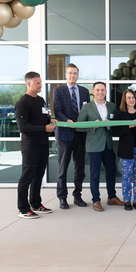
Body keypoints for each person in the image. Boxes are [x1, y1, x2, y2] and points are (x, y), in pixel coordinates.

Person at [76, 82, 124, 212]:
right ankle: (96, 200)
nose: (100, 92)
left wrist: (110, 125)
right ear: (93, 91)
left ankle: (112, 197)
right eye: (97, 90)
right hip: (94, 145)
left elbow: (117, 124)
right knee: (95, 174)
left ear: (106, 91)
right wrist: (93, 126)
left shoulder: (112, 106)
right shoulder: (87, 107)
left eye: (102, 90)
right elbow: (78, 126)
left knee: (111, 172)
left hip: (108, 144)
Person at [15, 72, 56, 219]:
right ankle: (23, 209)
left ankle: (36, 204)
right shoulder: (22, 103)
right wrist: (44, 128)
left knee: (38, 176)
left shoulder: (41, 100)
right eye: (37, 83)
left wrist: (52, 121)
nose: (40, 85)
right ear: (28, 83)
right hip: (30, 145)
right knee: (27, 177)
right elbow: (23, 127)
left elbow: (44, 117)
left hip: (43, 144)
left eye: (40, 82)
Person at [53, 63, 91, 210]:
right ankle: (62, 198)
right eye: (70, 73)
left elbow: (86, 110)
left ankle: (77, 196)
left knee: (79, 167)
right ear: (65, 74)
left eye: (75, 73)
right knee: (62, 168)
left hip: (80, 135)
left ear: (78, 75)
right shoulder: (58, 91)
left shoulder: (84, 91)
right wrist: (67, 121)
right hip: (65, 134)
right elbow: (58, 111)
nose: (72, 76)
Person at [112, 89, 136, 211]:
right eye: (128, 98)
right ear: (125, 100)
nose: (131, 100)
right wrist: (129, 126)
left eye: (133, 97)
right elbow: (115, 131)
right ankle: (127, 201)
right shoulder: (119, 114)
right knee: (127, 176)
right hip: (126, 150)